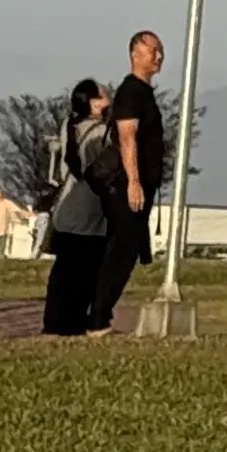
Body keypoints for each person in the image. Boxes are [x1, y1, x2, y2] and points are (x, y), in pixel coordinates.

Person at [90, 31, 168, 332]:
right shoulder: (130, 92)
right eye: (152, 51)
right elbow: (127, 137)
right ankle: (97, 316)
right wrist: (133, 181)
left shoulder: (145, 93)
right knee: (120, 251)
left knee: (128, 250)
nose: (158, 57)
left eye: (160, 51)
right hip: (127, 187)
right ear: (135, 54)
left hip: (144, 185)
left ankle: (101, 313)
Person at [41, 78, 116, 336]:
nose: (109, 100)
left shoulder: (68, 126)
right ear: (95, 103)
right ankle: (75, 322)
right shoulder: (101, 133)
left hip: (66, 209)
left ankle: (55, 322)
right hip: (90, 210)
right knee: (86, 271)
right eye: (105, 97)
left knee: (64, 271)